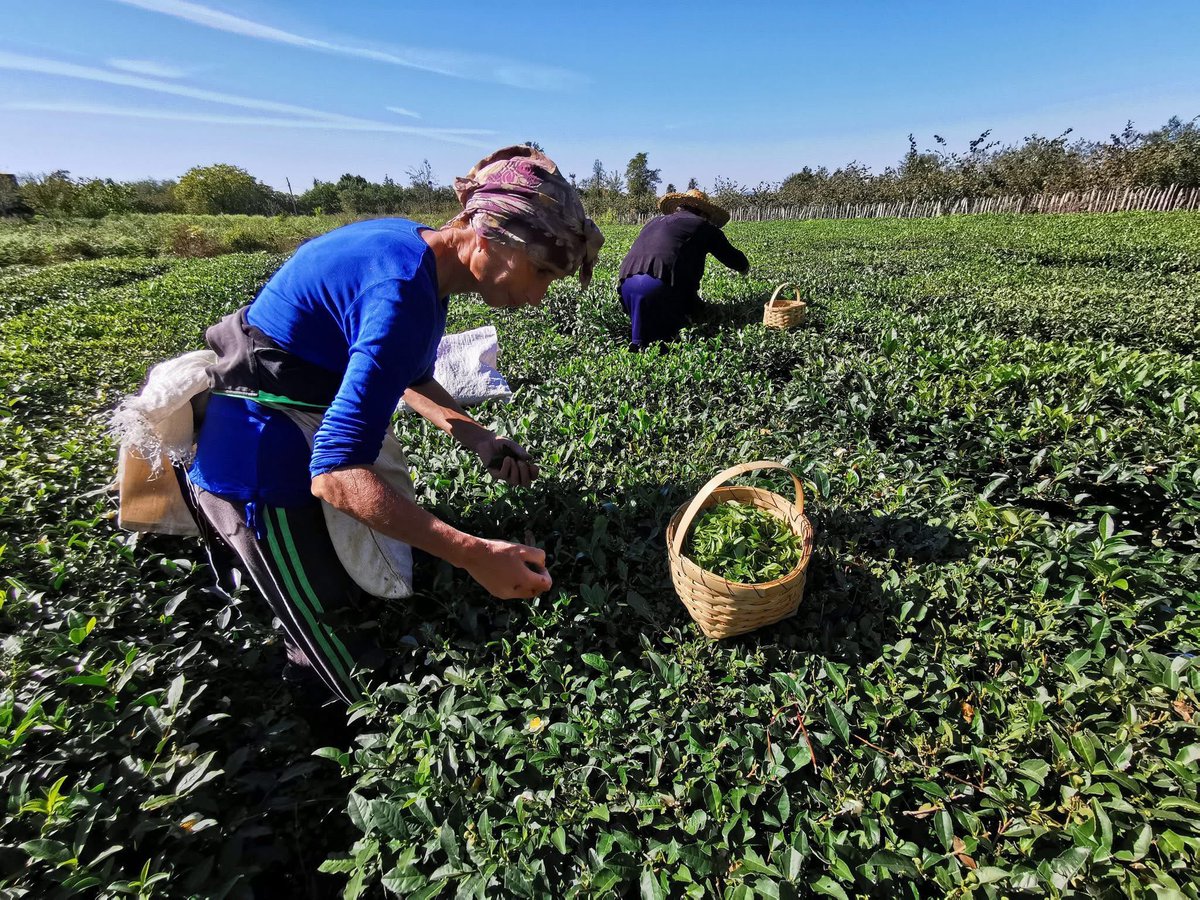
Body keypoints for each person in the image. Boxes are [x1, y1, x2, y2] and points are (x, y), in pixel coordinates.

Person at [178, 145, 603, 705]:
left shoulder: (418, 254)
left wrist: (477, 436)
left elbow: (406, 372)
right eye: (541, 272)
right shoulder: (401, 291)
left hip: (302, 420)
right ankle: (328, 730)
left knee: (353, 585)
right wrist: (473, 554)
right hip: (259, 459)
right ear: (488, 236)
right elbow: (336, 474)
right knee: (331, 636)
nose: (537, 297)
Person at [617, 189, 750, 349]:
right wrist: (744, 268)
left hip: (626, 286)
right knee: (671, 344)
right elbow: (732, 257)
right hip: (660, 287)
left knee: (646, 342)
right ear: (704, 213)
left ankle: (639, 345)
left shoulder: (653, 222)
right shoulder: (703, 226)